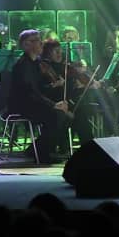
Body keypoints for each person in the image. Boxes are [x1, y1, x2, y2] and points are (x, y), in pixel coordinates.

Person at [7, 30, 73, 163]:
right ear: (26, 45)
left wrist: (55, 92)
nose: (41, 43)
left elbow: (40, 89)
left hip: (35, 103)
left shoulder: (37, 62)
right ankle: (42, 153)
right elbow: (30, 93)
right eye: (37, 40)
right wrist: (53, 105)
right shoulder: (22, 65)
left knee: (66, 116)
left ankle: (36, 150)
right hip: (23, 106)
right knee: (57, 115)